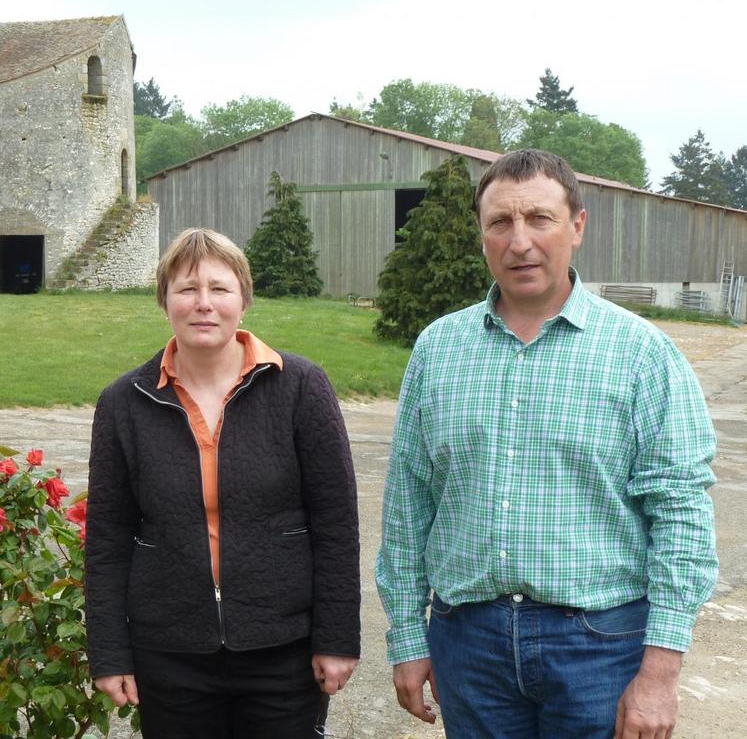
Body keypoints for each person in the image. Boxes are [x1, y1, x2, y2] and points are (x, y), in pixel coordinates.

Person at [375, 150, 718, 739]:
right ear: (481, 233)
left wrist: (660, 671)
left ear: (577, 226)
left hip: (600, 646)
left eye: (539, 218)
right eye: (500, 223)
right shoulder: (438, 350)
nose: (519, 242)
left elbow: (682, 514)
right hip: (468, 641)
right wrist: (408, 636)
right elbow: (408, 506)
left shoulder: (641, 355)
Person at [86, 228, 360, 738]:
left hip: (282, 650)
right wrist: (108, 651)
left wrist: (337, 637)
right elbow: (107, 538)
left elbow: (336, 524)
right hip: (170, 652)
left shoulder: (301, 387)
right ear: (164, 300)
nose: (203, 304)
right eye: (187, 289)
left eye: (220, 289)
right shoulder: (123, 402)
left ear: (244, 300)